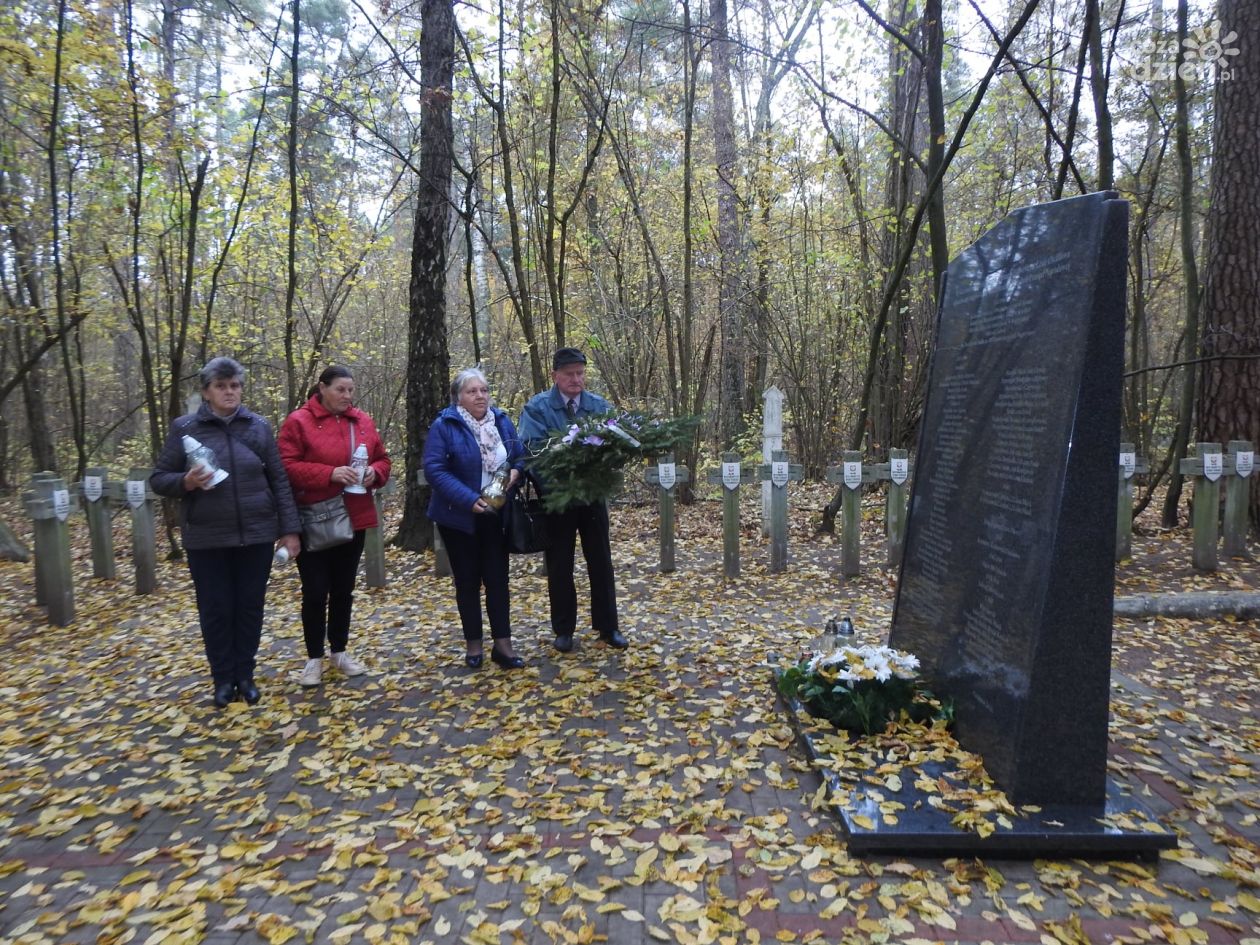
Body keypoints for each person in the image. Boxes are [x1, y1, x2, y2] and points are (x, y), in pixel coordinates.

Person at [151, 357, 302, 708]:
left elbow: (279, 480)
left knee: (249, 607)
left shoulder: (259, 427)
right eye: (221, 386)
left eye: (234, 385)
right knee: (216, 608)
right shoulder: (185, 428)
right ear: (206, 392)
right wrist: (185, 481)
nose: (229, 392)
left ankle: (245, 676)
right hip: (207, 537)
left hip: (257, 534)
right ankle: (222, 679)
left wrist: (289, 530)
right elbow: (159, 479)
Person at [279, 365, 392, 687]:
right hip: (314, 518)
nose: (346, 396)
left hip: (354, 516)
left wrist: (375, 473)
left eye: (350, 390)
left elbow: (383, 459)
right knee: (315, 591)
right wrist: (328, 474)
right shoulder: (298, 422)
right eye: (340, 389)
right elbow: (286, 467)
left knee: (344, 589)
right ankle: (313, 658)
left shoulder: (363, 421)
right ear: (322, 388)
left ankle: (339, 652)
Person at [518, 347, 627, 652]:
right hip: (557, 499)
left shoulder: (598, 405)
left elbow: (615, 446)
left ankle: (609, 627)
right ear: (555, 376)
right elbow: (532, 450)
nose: (576, 380)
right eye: (569, 374)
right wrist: (562, 473)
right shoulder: (538, 408)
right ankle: (563, 629)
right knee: (560, 564)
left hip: (592, 498)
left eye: (580, 373)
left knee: (601, 562)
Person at [423, 367, 526, 669]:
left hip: (497, 514)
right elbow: (435, 470)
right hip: (458, 517)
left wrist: (517, 472)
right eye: (472, 391)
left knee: (498, 580)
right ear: (459, 397)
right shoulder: (445, 425)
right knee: (467, 582)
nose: (480, 396)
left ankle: (503, 646)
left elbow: (519, 455)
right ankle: (473, 645)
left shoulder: (502, 421)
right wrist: (469, 500)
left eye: (483, 390)